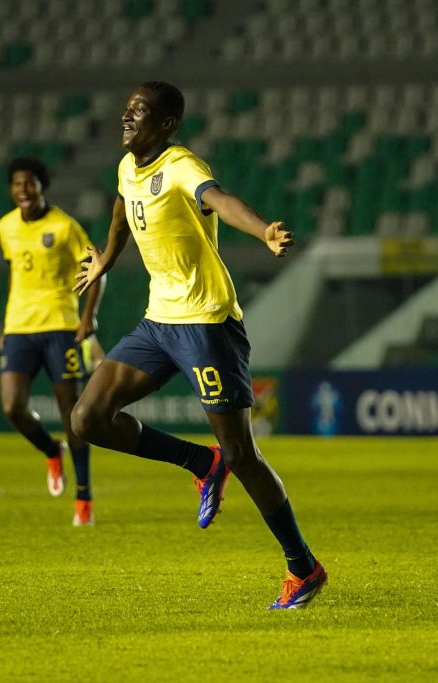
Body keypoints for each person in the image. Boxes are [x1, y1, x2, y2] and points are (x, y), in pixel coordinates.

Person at [70, 81, 326, 609]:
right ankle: (200, 463)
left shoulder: (182, 165)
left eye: (138, 113)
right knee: (87, 418)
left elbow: (222, 201)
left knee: (243, 452)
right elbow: (122, 210)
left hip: (207, 323)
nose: (126, 117)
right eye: (126, 109)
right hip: (158, 322)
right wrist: (107, 260)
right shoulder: (126, 167)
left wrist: (262, 232)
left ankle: (303, 567)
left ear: (164, 125)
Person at [0, 156, 104, 527]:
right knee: (12, 407)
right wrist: (6, 325)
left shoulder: (63, 226)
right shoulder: (5, 226)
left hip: (60, 327)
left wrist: (88, 317)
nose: (23, 190)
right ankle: (50, 449)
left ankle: (84, 496)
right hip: (19, 328)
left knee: (73, 416)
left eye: (29, 183)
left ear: (41, 186)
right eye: (17, 184)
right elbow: (15, 275)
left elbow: (97, 268)